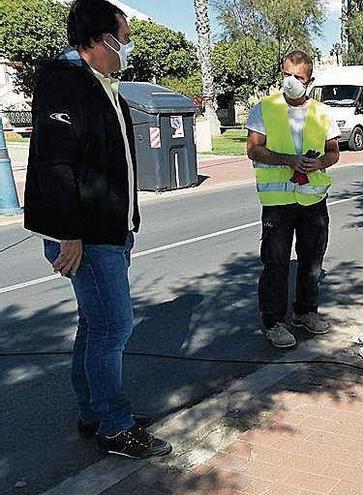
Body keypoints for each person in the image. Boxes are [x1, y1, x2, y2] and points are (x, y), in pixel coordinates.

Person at [24, 0, 171, 459]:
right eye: (122, 38)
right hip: (86, 235)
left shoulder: (103, 85)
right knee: (114, 326)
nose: (127, 47)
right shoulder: (66, 83)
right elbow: (55, 162)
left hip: (110, 230)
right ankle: (115, 425)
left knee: (95, 325)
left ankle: (95, 411)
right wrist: (68, 232)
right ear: (97, 38)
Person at [245, 51, 341, 348]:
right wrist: (286, 159)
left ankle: (305, 312)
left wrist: (320, 163)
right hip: (278, 201)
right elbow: (253, 149)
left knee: (312, 260)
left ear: (309, 80)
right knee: (276, 263)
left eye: (298, 77)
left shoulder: (322, 112)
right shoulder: (265, 108)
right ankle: (273, 321)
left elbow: (334, 151)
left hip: (313, 200)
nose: (291, 82)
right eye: (287, 74)